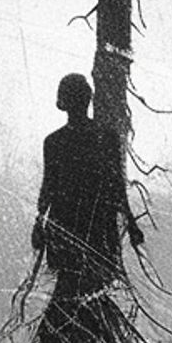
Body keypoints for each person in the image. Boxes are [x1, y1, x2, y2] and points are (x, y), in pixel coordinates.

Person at [31, 73, 143, 292]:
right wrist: (130, 223)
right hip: (97, 230)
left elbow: (48, 189)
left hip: (68, 231)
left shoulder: (54, 142)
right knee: (92, 296)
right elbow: (116, 186)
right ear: (88, 99)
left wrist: (40, 224)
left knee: (72, 296)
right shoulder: (106, 137)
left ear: (62, 103)